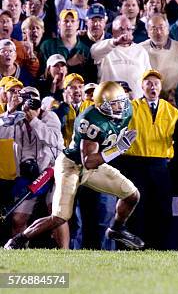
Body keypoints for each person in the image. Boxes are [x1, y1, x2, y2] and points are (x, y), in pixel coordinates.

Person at [4, 81, 144, 250]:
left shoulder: (127, 109)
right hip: (71, 165)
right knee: (60, 217)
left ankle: (116, 229)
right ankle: (18, 239)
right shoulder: (90, 120)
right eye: (113, 104)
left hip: (94, 163)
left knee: (132, 195)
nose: (119, 108)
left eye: (121, 102)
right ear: (101, 104)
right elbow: (89, 161)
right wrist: (118, 149)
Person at [120, 70, 178, 250]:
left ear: (161, 87)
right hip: (135, 164)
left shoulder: (172, 111)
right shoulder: (130, 107)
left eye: (156, 83)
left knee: (161, 208)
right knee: (136, 207)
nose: (152, 86)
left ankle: (160, 246)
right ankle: (135, 246)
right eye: (148, 83)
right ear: (142, 86)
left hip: (160, 165)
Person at [0, 82, 66, 246]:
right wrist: (11, 111)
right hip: (29, 174)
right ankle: (20, 251)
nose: (30, 104)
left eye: (33, 100)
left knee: (56, 214)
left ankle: (65, 252)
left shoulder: (49, 115)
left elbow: (54, 141)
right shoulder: (17, 117)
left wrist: (35, 120)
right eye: (26, 100)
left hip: (52, 171)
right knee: (18, 218)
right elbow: (2, 134)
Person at [90, 15, 152, 99]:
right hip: (108, 102)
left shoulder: (141, 50)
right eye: (121, 29)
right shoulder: (106, 47)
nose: (125, 32)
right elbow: (94, 52)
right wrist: (115, 42)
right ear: (113, 30)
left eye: (128, 29)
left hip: (136, 103)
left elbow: (148, 77)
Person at [140, 14, 178, 103]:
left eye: (161, 27)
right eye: (154, 28)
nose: (158, 32)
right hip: (148, 99)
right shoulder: (140, 50)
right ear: (148, 32)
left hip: (176, 99)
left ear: (168, 29)